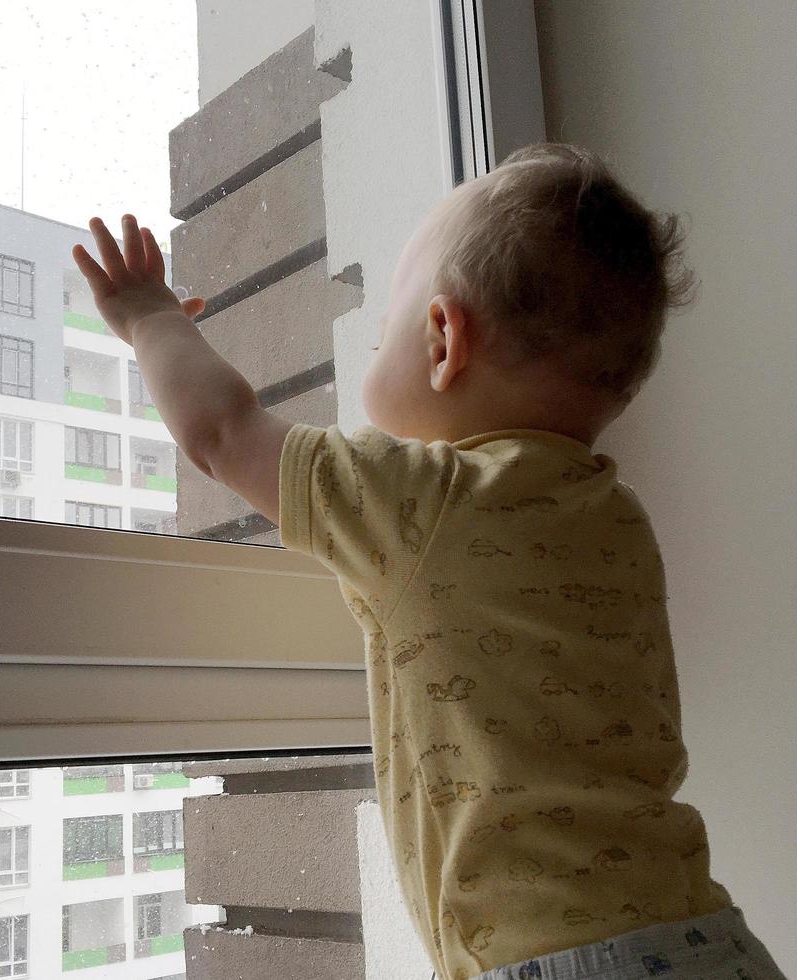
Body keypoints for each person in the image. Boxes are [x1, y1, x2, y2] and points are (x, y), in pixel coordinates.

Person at [73, 142, 788, 980]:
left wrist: (150, 315)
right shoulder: (614, 514)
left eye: (382, 335)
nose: (375, 352)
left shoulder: (427, 499)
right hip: (708, 937)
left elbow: (223, 434)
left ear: (444, 339)